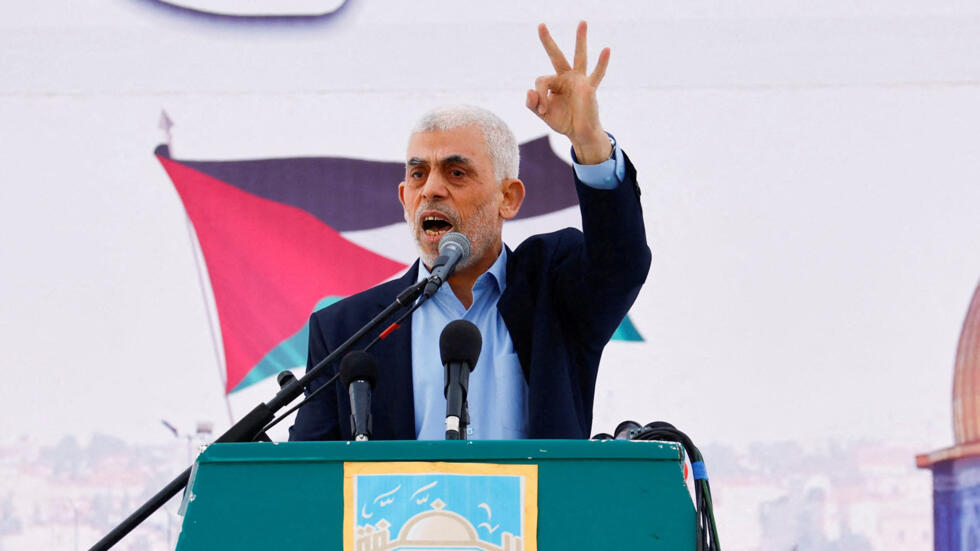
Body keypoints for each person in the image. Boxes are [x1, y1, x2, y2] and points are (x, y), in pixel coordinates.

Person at [288, 21, 650, 441]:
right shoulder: (348, 332)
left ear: (508, 198)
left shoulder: (555, 296)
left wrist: (589, 143)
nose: (431, 190)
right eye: (418, 174)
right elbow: (306, 469)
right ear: (404, 198)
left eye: (456, 173)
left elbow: (620, 262)